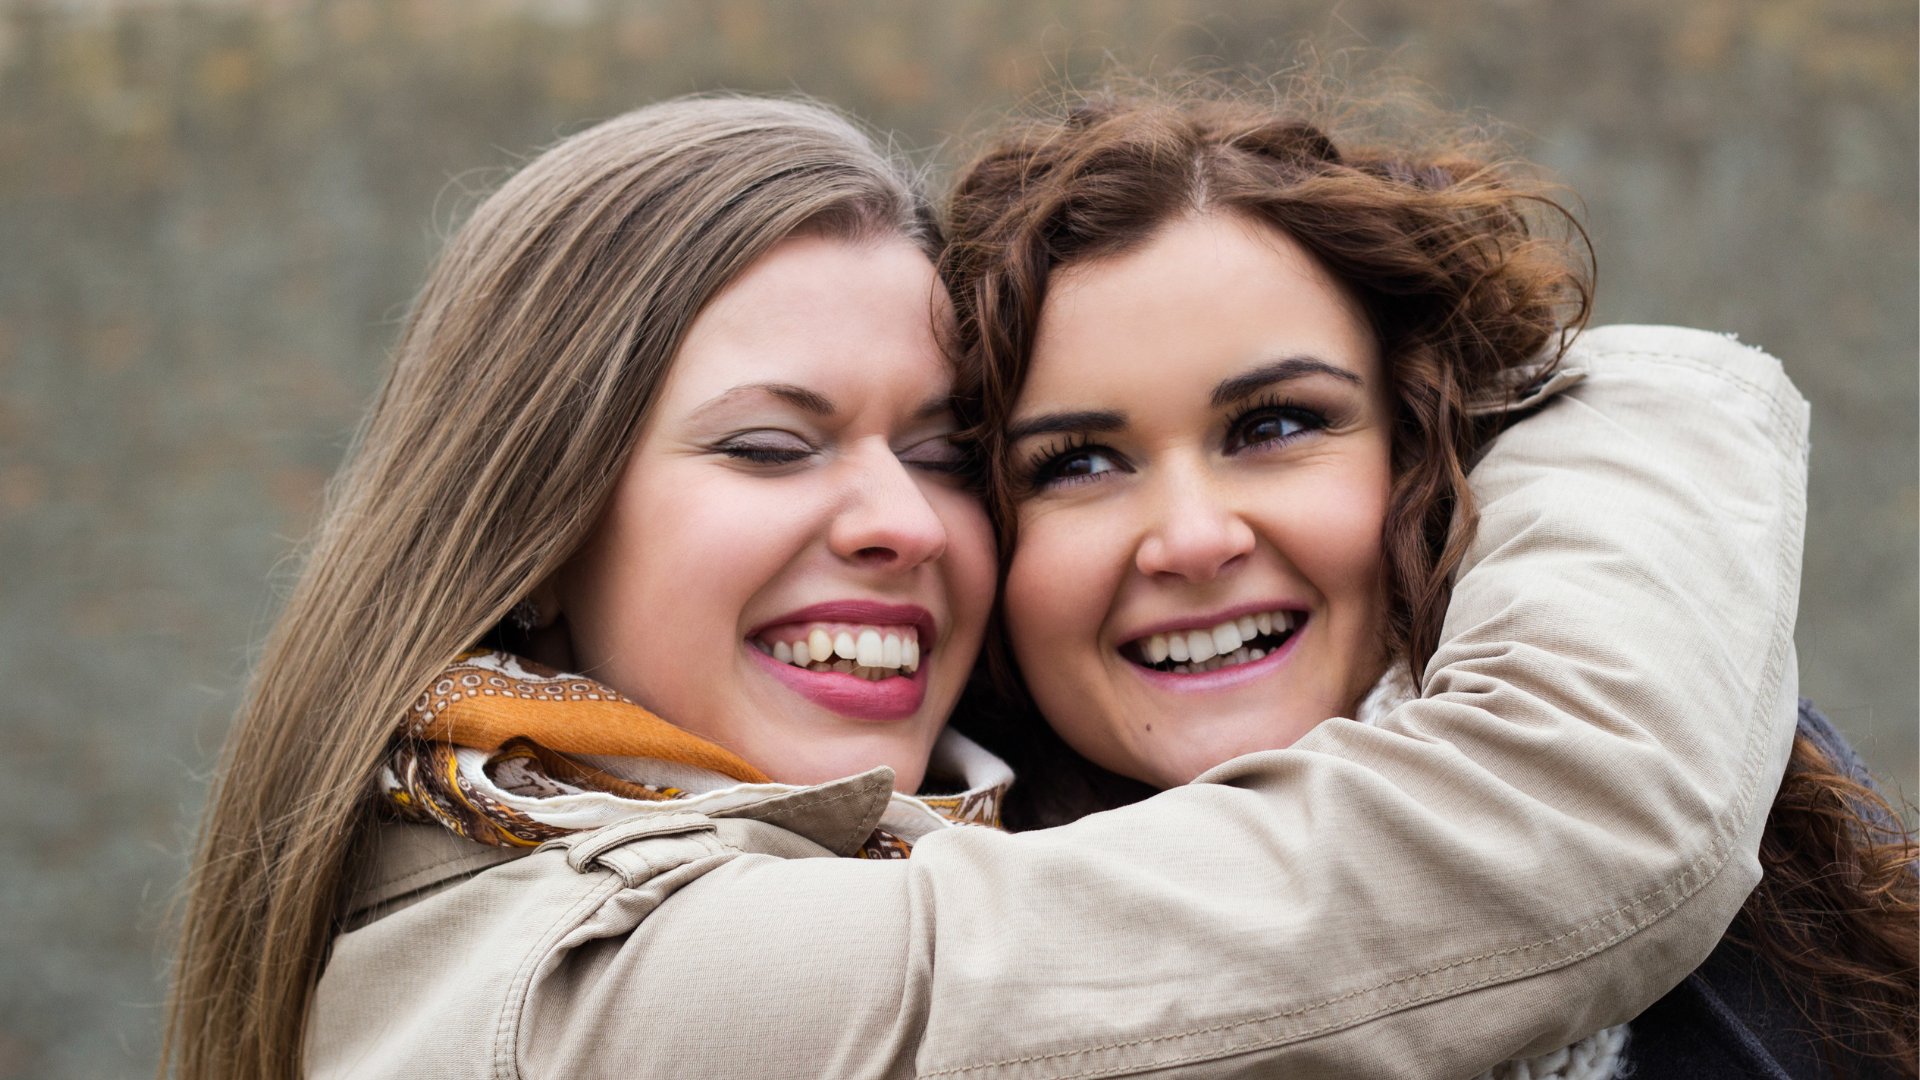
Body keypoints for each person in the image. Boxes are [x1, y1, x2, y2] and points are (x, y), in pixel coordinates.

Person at [166, 94, 1810, 1080]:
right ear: (527, 539)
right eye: (767, 448)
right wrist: (1626, 386)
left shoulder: (970, 820)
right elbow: (1577, 816)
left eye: (952, 451)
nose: (900, 522)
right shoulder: (616, 994)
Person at [940, 85, 1918, 1078]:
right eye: (1078, 463)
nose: (1191, 540)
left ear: (1417, 448)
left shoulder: (1726, 796)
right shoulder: (902, 932)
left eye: (1274, 425)